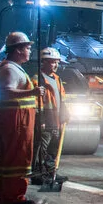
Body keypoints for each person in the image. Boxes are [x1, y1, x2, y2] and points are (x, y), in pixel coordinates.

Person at [0, 31, 39, 204]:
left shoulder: (12, 67)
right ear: (18, 50)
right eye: (27, 48)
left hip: (16, 118)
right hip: (15, 120)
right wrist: (32, 92)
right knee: (17, 157)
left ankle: (5, 193)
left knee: (10, 157)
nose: (29, 51)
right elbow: (6, 91)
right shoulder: (9, 69)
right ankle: (14, 196)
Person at [35, 47, 69, 185]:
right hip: (45, 120)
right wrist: (40, 120)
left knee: (53, 149)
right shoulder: (38, 79)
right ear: (43, 62)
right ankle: (38, 174)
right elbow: (36, 102)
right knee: (41, 150)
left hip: (56, 120)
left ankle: (51, 172)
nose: (55, 65)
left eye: (56, 62)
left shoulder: (57, 79)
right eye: (51, 62)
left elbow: (62, 99)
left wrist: (65, 114)